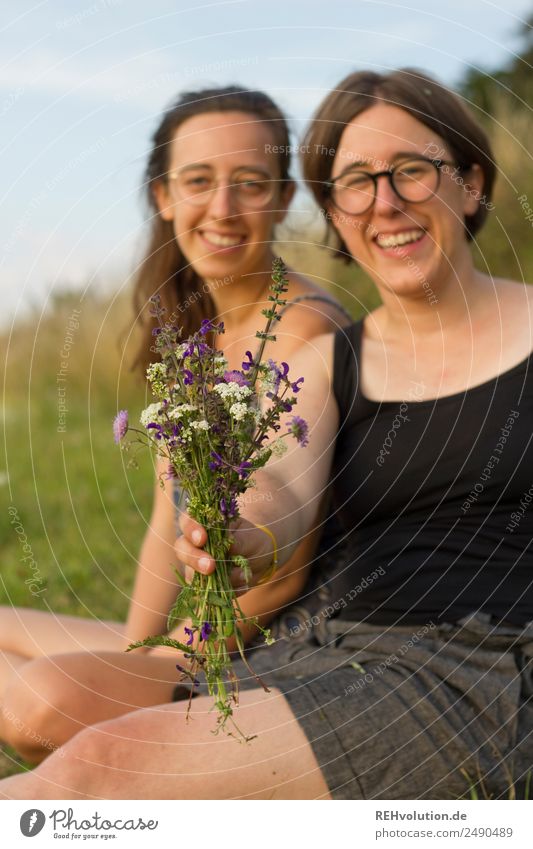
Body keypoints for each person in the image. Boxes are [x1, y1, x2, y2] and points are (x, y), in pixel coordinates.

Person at [2, 66, 532, 802]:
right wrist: (244, 526)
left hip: (478, 666)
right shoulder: (327, 362)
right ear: (334, 213)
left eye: (411, 170)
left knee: (89, 777)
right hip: (322, 646)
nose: (384, 201)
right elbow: (279, 479)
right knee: (62, 743)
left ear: (471, 183)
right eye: (354, 182)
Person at [0, 85, 350, 763]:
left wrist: (157, 666)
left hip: (280, 644)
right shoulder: (198, 335)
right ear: (163, 196)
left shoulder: (306, 334)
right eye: (198, 181)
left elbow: (277, 573)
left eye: (249, 183)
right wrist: (131, 653)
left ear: (281, 199)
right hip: (200, 635)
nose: (221, 208)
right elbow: (171, 514)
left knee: (30, 700)